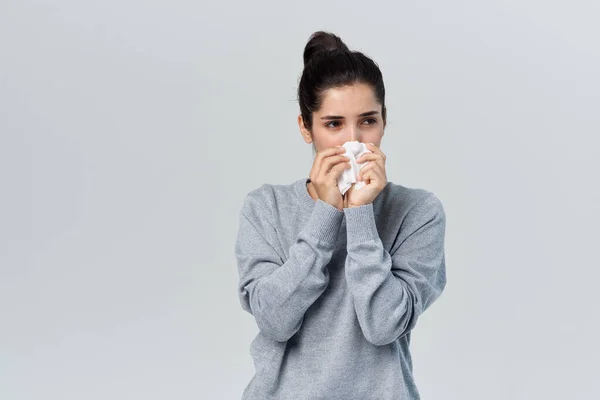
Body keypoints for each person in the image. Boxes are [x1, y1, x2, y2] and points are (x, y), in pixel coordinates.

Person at [234, 31, 447, 400]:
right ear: (306, 128)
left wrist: (360, 212)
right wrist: (326, 212)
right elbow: (274, 321)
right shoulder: (266, 207)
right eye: (333, 124)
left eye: (367, 121)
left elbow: (383, 326)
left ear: (384, 121)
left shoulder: (418, 212)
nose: (354, 141)